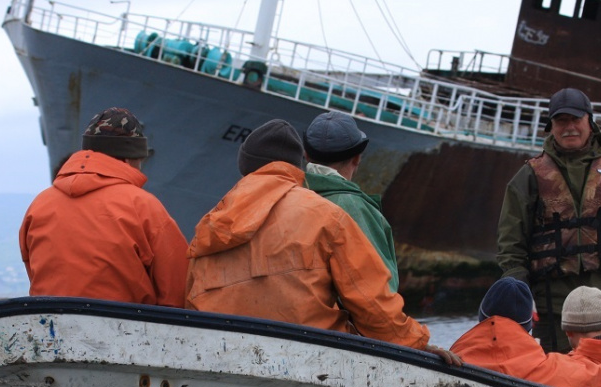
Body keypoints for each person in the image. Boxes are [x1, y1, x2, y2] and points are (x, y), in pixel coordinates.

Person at [185, 119, 460, 365]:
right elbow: (371, 300)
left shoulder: (209, 224)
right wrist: (415, 345)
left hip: (222, 356)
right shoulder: (327, 216)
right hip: (310, 359)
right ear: (298, 162)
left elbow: (187, 301)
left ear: (244, 166)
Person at [496, 87, 601, 354]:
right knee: (555, 370)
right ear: (551, 126)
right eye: (561, 121)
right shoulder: (529, 175)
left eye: (575, 120)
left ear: (589, 121)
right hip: (552, 304)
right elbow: (511, 241)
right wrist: (519, 287)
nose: (569, 128)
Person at [20, 107, 189, 307]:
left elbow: (35, 272)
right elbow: (177, 290)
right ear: (129, 159)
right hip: (125, 331)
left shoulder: (39, 204)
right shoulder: (142, 206)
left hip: (52, 328)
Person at [450, 277, 601, 387]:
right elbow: (597, 377)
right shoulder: (544, 368)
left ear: (481, 318)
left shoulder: (451, 358)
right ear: (528, 326)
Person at [303, 111, 400, 292]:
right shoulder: (354, 209)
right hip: (335, 319)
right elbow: (382, 292)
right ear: (357, 158)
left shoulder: (287, 197)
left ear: (306, 155)